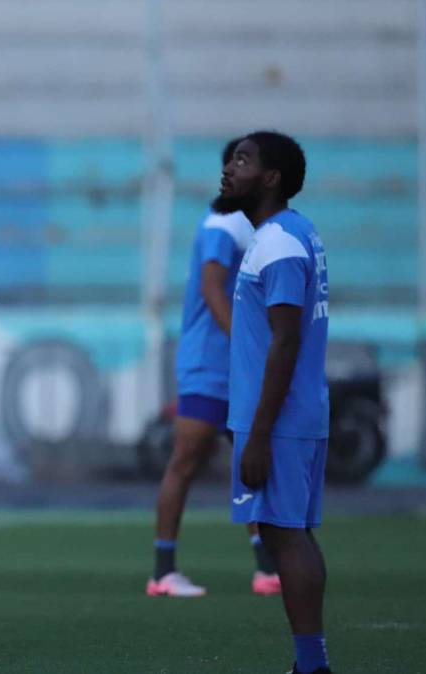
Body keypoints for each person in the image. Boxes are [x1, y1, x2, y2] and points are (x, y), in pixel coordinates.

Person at [215, 131, 332, 674]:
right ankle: (310, 662)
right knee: (289, 533)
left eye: (242, 161)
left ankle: (312, 664)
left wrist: (258, 433)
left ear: (271, 177)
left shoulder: (279, 242)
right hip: (292, 413)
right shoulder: (293, 233)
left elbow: (285, 340)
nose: (229, 170)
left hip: (279, 420)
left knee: (286, 536)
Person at [148, 138, 281, 598]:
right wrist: (249, 343)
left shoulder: (249, 227)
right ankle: (163, 570)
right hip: (212, 363)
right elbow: (211, 287)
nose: (234, 170)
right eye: (233, 163)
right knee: (187, 460)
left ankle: (267, 566)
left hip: (230, 366)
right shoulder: (223, 225)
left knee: (253, 463)